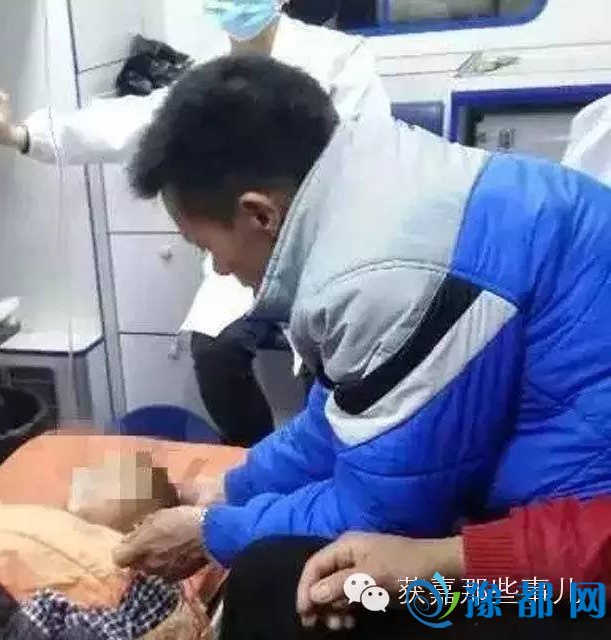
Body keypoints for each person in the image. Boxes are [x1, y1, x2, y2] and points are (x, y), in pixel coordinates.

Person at [111, 54, 611, 585]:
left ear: (260, 214)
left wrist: (213, 533)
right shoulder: (371, 171)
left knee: (279, 585)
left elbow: (382, 518)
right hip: (563, 463)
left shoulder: (380, 276)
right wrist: (234, 488)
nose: (219, 268)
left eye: (207, 246)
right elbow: (341, 418)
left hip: (582, 536)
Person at [0, 0, 391, 447]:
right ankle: (250, 453)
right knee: (213, 351)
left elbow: (365, 158)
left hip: (320, 249)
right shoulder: (208, 75)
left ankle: (319, 457)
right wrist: (21, 135)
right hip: (247, 247)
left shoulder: (341, 58)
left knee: (324, 362)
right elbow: (130, 121)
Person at [212, 497, 611, 639]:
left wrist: (213, 526)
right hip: (569, 573)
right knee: (270, 578)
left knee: (272, 583)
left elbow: (396, 489)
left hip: (583, 595)